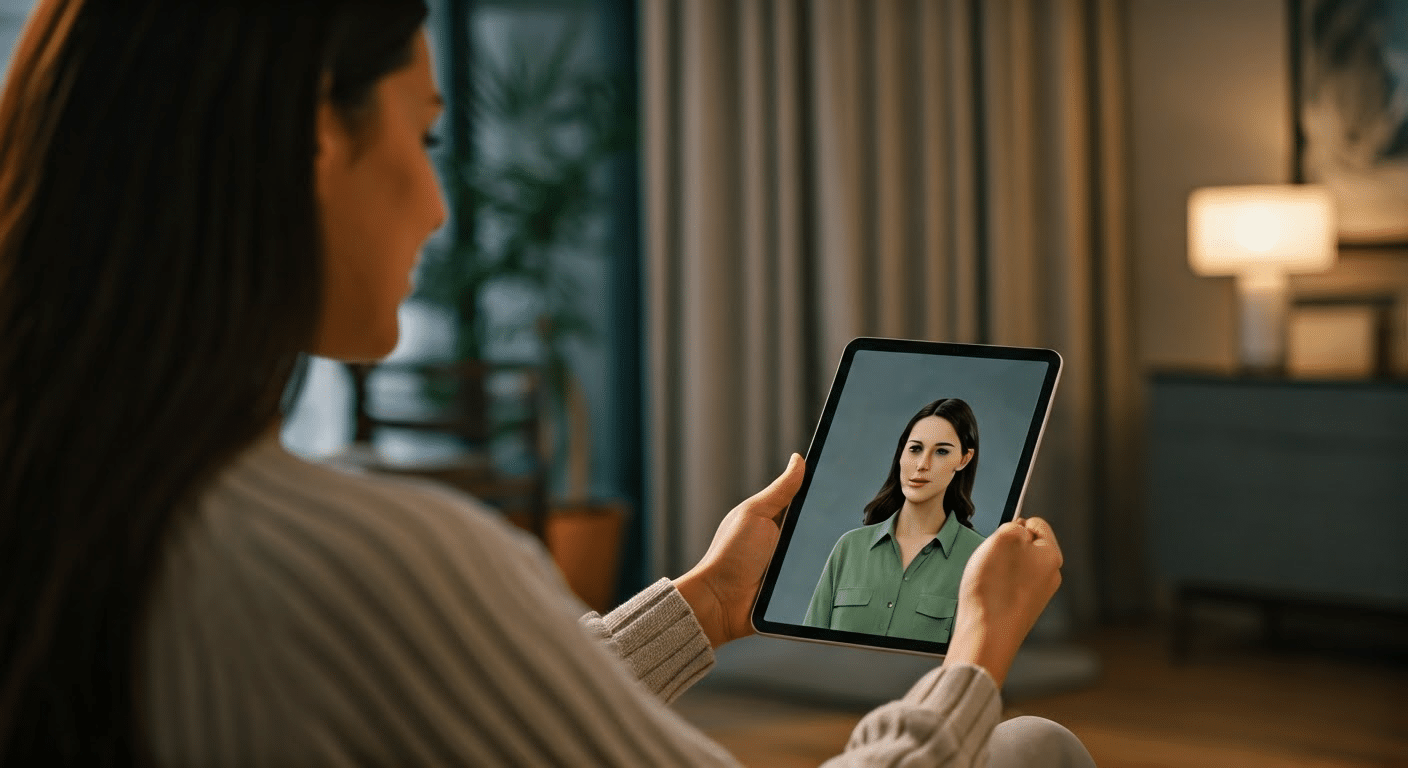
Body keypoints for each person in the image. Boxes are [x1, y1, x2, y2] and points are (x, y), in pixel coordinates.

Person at [0, 2, 1093, 766]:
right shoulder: (359, 556)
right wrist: (976, 654)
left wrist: (705, 606)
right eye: (425, 137)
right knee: (1026, 743)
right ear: (313, 143)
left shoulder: (69, 500)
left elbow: (458, 711)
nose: (437, 206)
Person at [804, 399, 988, 643]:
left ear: (964, 459)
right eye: (915, 449)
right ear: (901, 453)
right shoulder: (849, 548)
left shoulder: (981, 559)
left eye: (941, 451)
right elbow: (806, 650)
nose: (923, 465)